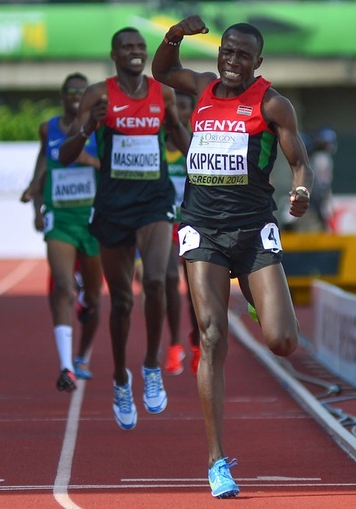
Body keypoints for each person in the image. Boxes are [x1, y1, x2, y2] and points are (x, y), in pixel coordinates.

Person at [152, 17, 314, 498]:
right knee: (212, 335)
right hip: (201, 229)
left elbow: (299, 161)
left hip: (252, 231)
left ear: (257, 62)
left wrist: (301, 190)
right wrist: (175, 34)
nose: (232, 60)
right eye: (227, 51)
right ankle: (216, 460)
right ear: (219, 53)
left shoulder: (272, 104)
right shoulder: (202, 86)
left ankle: (253, 292)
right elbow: (163, 70)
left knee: (283, 341)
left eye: (243, 54)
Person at [58, 27, 191, 430]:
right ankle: (120, 377)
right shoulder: (98, 95)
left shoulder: (162, 93)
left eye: (139, 47)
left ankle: (151, 365)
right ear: (114, 55)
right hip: (114, 204)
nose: (135, 52)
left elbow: (177, 133)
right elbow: (66, 155)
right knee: (120, 302)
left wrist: (202, 160)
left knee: (155, 282)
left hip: (154, 200)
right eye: (127, 48)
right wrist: (88, 128)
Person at [21, 72, 103, 393]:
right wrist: (36, 203)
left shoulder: (100, 127)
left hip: (95, 220)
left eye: (82, 92)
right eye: (70, 91)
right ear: (61, 96)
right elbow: (42, 166)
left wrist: (88, 160)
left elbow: (111, 167)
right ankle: (67, 367)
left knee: (94, 298)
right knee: (63, 289)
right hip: (61, 220)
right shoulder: (49, 129)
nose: (75, 96)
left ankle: (82, 356)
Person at [163, 90, 201, 376]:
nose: (179, 112)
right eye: (175, 107)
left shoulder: (199, 146)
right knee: (167, 282)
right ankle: (175, 345)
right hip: (164, 224)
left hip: (193, 224)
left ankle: (198, 344)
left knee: (194, 292)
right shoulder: (157, 147)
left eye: (185, 107)